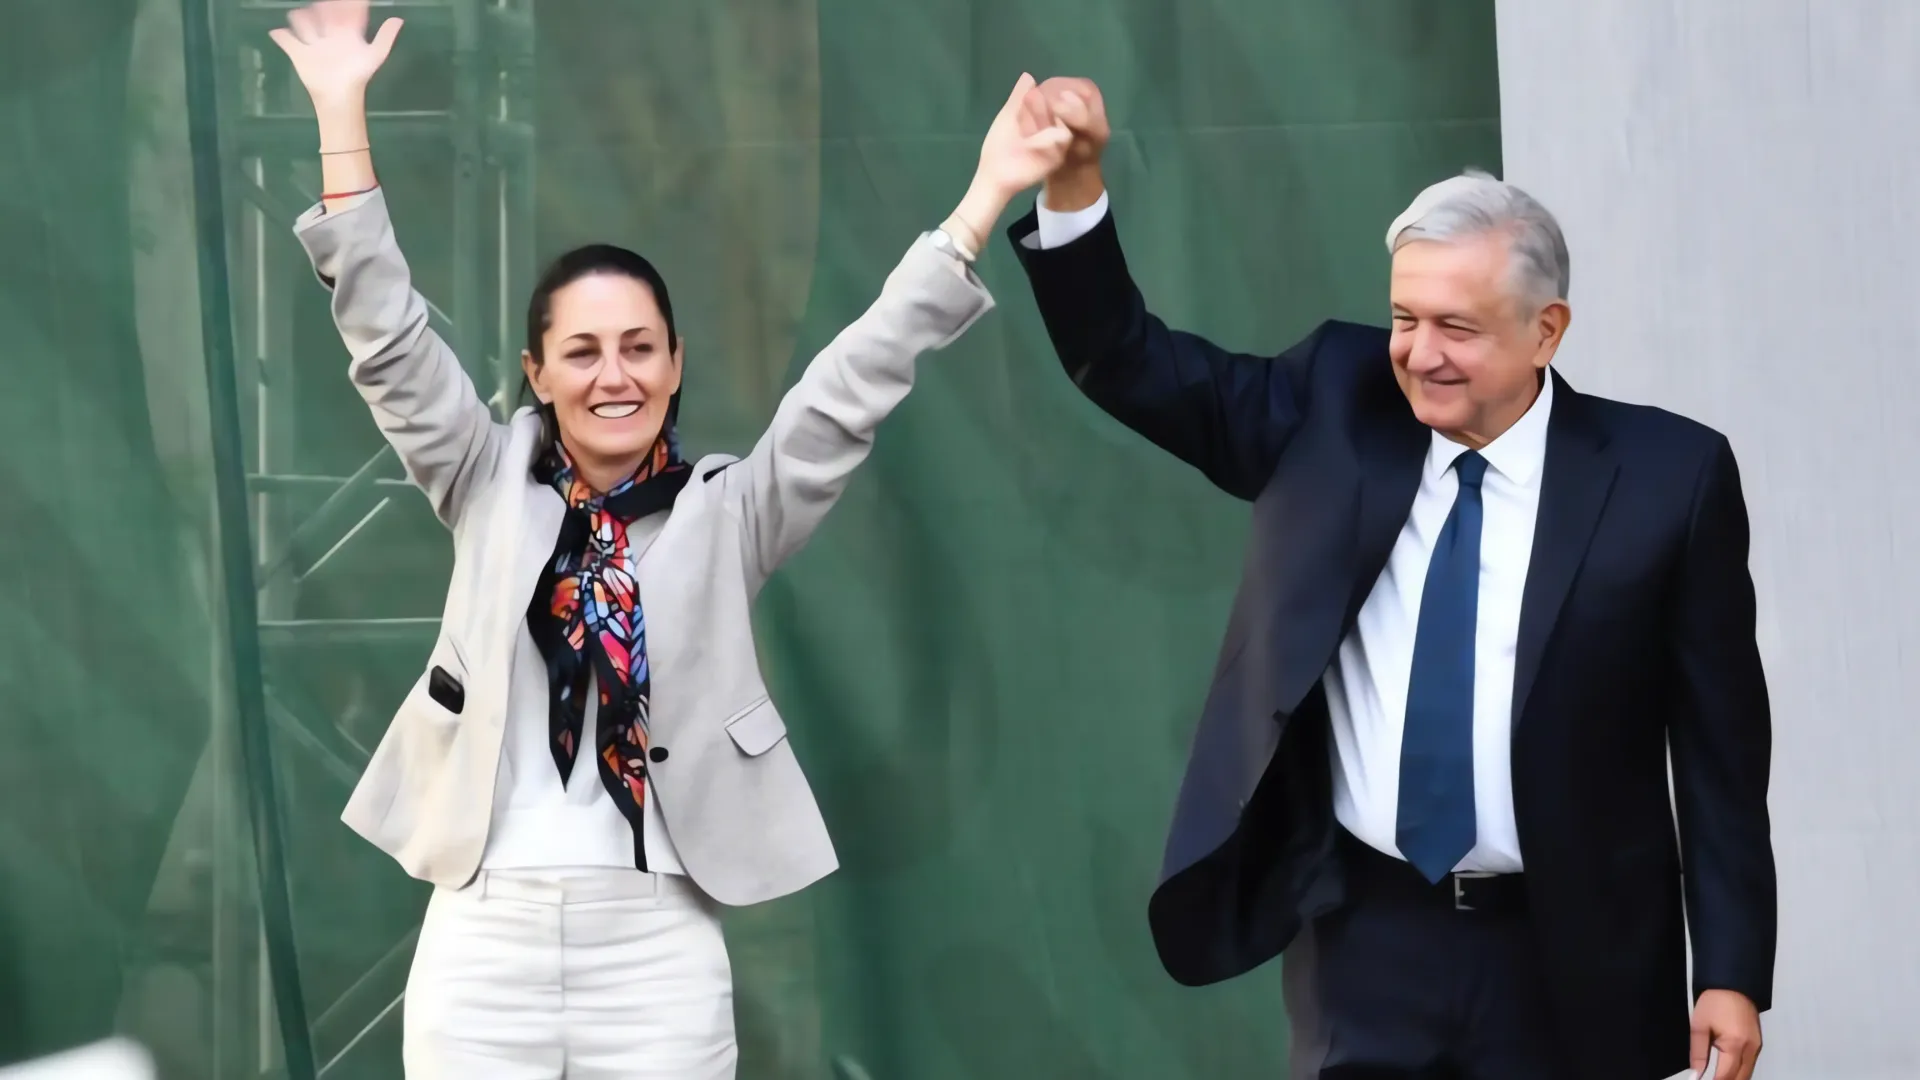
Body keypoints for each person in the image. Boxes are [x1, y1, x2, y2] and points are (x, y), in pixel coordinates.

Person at [268, 3, 1072, 1076]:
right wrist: (339, 113)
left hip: (657, 944)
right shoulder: (481, 470)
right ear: (538, 373)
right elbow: (386, 334)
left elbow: (854, 382)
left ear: (676, 364)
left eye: (640, 347)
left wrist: (985, 199)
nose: (615, 375)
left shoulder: (731, 509)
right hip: (482, 934)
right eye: (585, 351)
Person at [1005, 77, 1775, 1080]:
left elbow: (1719, 752)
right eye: (1405, 317)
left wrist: (1730, 968)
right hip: (1365, 937)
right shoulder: (1332, 401)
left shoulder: (1670, 478)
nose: (1419, 354)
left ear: (1547, 331)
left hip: (1568, 947)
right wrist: (1074, 184)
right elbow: (1130, 362)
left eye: (1458, 326)